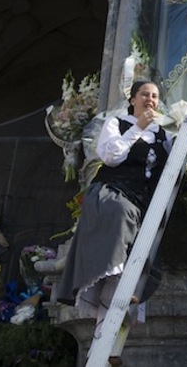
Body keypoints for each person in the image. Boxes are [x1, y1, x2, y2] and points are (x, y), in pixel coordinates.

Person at [56, 81, 173, 346]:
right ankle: (102, 339)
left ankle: (103, 340)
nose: (150, 100)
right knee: (116, 261)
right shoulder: (117, 124)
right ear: (133, 99)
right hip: (114, 194)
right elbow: (110, 156)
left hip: (143, 205)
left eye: (155, 96)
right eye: (145, 94)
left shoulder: (163, 135)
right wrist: (138, 128)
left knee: (126, 274)